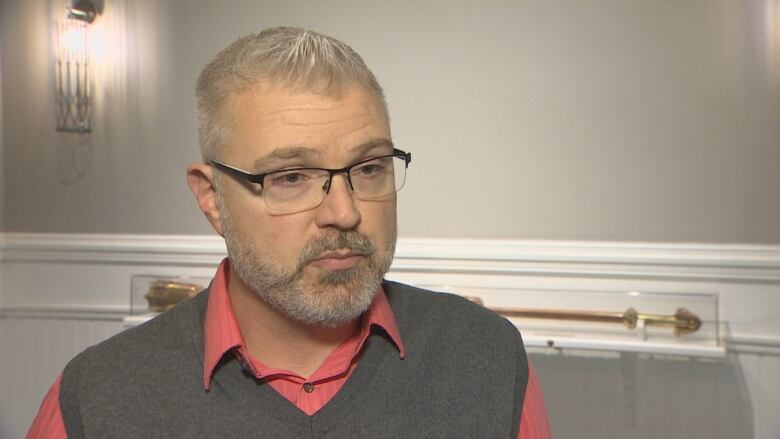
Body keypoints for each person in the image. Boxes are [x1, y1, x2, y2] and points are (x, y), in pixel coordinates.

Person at [28, 26, 551, 438]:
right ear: (211, 199)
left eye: (369, 168)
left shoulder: (487, 359)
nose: (344, 213)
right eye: (291, 178)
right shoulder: (98, 398)